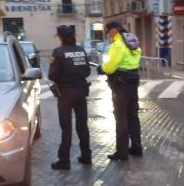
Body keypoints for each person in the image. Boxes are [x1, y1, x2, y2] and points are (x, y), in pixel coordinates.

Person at [48, 25, 91, 170]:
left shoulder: (58, 52)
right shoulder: (81, 50)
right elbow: (87, 71)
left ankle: (64, 161)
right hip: (81, 91)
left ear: (61, 37)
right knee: (82, 126)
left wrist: (64, 79)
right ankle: (86, 156)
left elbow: (52, 75)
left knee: (66, 128)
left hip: (65, 94)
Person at [97, 21, 142, 161]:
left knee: (121, 118)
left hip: (120, 85)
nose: (109, 35)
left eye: (109, 32)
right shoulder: (132, 42)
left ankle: (122, 152)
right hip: (133, 83)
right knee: (133, 116)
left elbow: (110, 67)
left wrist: (101, 68)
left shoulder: (117, 45)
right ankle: (136, 147)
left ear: (113, 31)